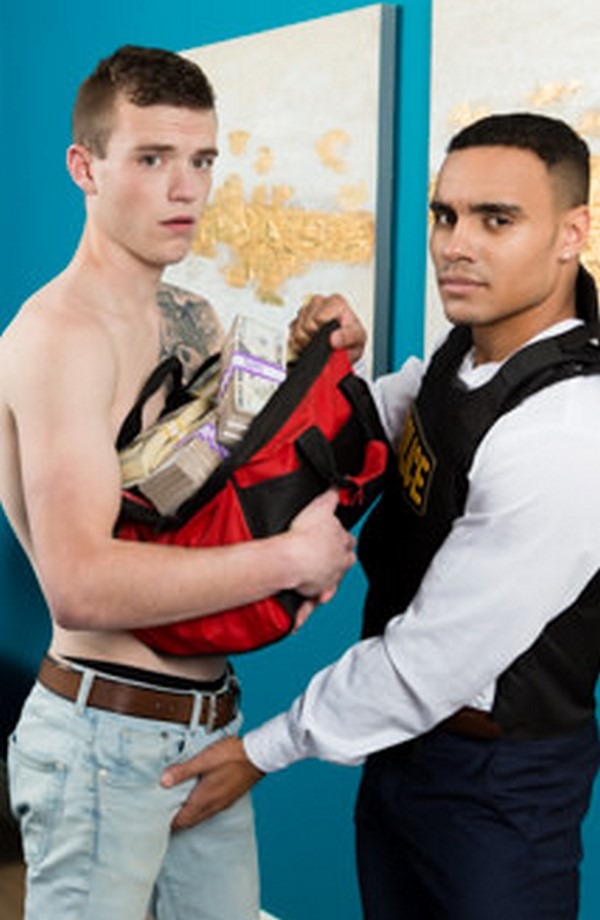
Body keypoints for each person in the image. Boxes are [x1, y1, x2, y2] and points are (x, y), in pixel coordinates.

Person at [162, 113, 600, 919]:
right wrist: (325, 367)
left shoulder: (566, 431)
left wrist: (261, 751)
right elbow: (363, 428)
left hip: (498, 788)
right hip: (406, 752)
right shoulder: (464, 357)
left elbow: (435, 658)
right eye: (446, 215)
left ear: (572, 233)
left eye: (496, 220)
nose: (455, 245)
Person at [0, 45, 357, 920]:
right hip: (100, 740)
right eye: (153, 158)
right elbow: (81, 585)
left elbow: (240, 488)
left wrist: (324, 354)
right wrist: (293, 560)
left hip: (205, 727)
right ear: (85, 167)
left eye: (201, 161)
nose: (185, 189)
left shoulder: (191, 316)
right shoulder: (60, 338)